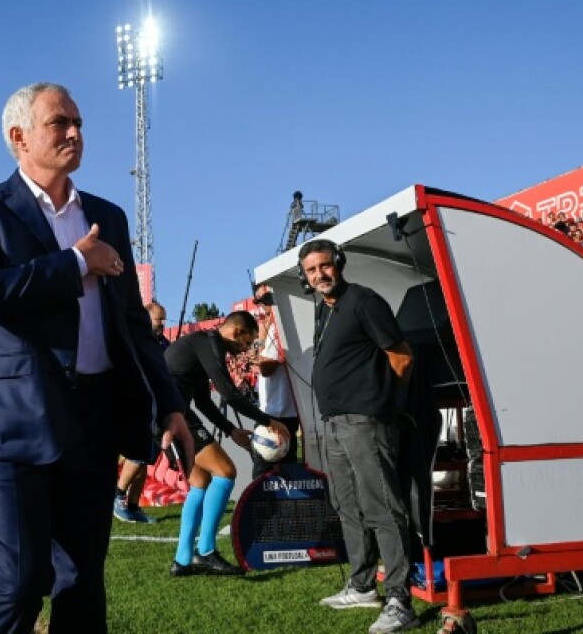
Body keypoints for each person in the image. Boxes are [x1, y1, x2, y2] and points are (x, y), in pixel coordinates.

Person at [0, 81, 193, 634]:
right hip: (13, 422)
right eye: (60, 122)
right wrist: (77, 263)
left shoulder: (108, 216)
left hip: (94, 418)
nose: (76, 132)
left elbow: (132, 322)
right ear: (19, 137)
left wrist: (169, 406)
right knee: (20, 580)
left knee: (82, 581)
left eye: (78, 122)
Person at [300, 239, 418, 633]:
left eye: (325, 266)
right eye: (312, 270)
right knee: (347, 506)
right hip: (335, 422)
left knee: (382, 507)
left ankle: (400, 601)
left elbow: (401, 356)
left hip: (366, 421)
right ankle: (363, 585)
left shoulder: (364, 301)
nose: (320, 275)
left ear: (339, 263)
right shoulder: (325, 308)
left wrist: (385, 404)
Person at [164, 311, 291, 577]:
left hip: (167, 413)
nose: (246, 349)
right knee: (225, 471)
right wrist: (266, 420)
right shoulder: (210, 343)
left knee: (200, 482)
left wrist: (231, 430)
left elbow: (203, 401)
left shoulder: (202, 344)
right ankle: (206, 551)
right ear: (237, 332)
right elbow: (229, 394)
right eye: (247, 342)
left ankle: (182, 560)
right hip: (169, 415)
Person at [113, 300, 169, 524]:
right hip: (138, 405)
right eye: (158, 319)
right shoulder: (133, 338)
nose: (162, 324)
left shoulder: (162, 343)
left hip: (157, 406)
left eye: (164, 320)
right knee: (138, 455)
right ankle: (118, 496)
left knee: (146, 457)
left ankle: (133, 506)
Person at [250, 284, 303, 478]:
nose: (262, 306)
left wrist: (261, 339)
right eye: (258, 301)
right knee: (286, 467)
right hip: (283, 408)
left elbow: (266, 368)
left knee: (264, 471)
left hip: (276, 411)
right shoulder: (282, 324)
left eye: (265, 300)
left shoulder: (276, 328)